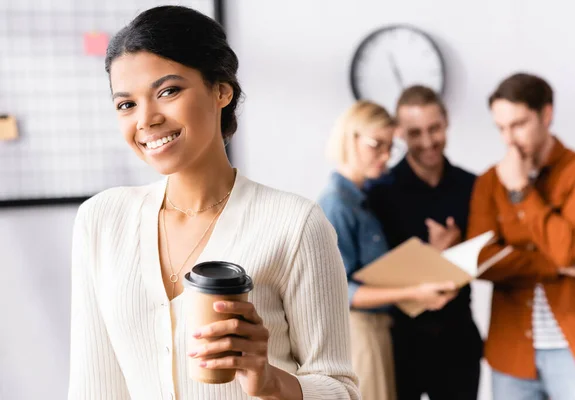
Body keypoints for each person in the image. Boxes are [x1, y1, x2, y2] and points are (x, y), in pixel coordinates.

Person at [67, 6, 359, 400]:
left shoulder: (295, 224)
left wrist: (270, 381)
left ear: (221, 90)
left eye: (168, 91)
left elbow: (341, 390)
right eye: (126, 104)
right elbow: (93, 388)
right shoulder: (101, 221)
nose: (146, 119)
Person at [468, 72, 575, 399]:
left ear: (546, 114)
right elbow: (481, 262)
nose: (509, 140)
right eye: (501, 128)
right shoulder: (488, 182)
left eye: (519, 124)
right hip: (511, 352)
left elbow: (568, 249)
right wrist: (555, 266)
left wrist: (521, 190)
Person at [318, 100, 457, 400]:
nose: (385, 156)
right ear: (350, 138)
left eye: (389, 147)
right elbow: (344, 291)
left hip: (378, 330)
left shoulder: (362, 198)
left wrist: (432, 252)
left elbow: (376, 273)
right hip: (360, 332)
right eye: (376, 145)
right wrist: (413, 293)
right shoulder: (337, 203)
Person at [364, 86, 483, 400]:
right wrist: (435, 255)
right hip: (402, 342)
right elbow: (372, 273)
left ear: (446, 122)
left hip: (458, 339)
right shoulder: (379, 192)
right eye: (416, 133)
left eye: (434, 129)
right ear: (400, 133)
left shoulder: (472, 186)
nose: (428, 141)